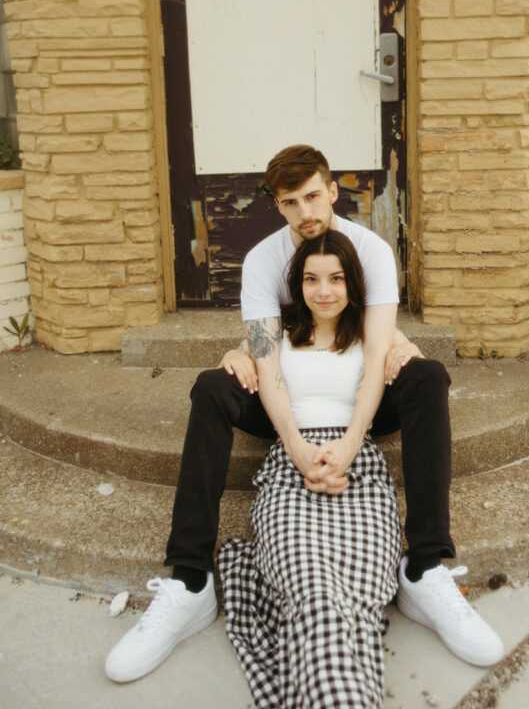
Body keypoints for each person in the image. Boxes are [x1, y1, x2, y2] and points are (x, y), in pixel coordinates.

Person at [105, 146, 503, 684]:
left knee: (426, 375)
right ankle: (190, 581)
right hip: (287, 398)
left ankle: (425, 568)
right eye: (290, 202)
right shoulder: (265, 261)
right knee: (211, 387)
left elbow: (376, 357)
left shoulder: (372, 251)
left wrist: (348, 445)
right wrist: (292, 442)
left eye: (313, 195)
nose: (304, 211)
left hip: (360, 396)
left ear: (334, 189)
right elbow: (267, 365)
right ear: (277, 204)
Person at [219, 229, 402, 708]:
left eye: (337, 278)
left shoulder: (373, 332)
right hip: (289, 468)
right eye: (312, 279)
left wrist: (347, 447)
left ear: (353, 282)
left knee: (359, 598)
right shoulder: (275, 332)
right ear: (297, 285)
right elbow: (254, 362)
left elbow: (383, 378)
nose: (324, 290)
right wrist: (237, 353)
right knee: (313, 590)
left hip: (357, 468)